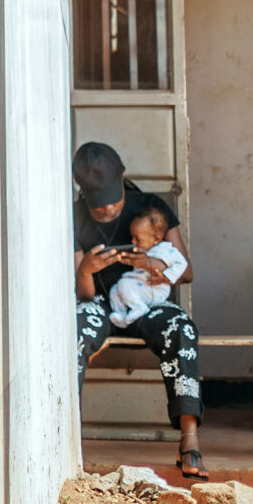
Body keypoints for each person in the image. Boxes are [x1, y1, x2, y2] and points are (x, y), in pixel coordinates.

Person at [74, 141, 207, 481]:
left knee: (181, 327)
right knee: (74, 329)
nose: (104, 211)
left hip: (148, 304)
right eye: (96, 206)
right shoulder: (73, 216)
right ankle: (66, 438)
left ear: (122, 179)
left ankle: (189, 441)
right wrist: (86, 270)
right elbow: (81, 295)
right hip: (101, 306)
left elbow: (186, 272)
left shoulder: (150, 208)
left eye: (112, 202)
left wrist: (152, 264)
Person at [106, 202, 187, 327]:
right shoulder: (145, 250)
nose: (133, 241)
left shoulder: (166, 250)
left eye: (137, 238)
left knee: (123, 285)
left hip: (154, 290)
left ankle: (139, 308)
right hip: (139, 287)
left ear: (156, 238)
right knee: (115, 290)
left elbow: (182, 264)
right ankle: (120, 314)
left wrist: (167, 276)